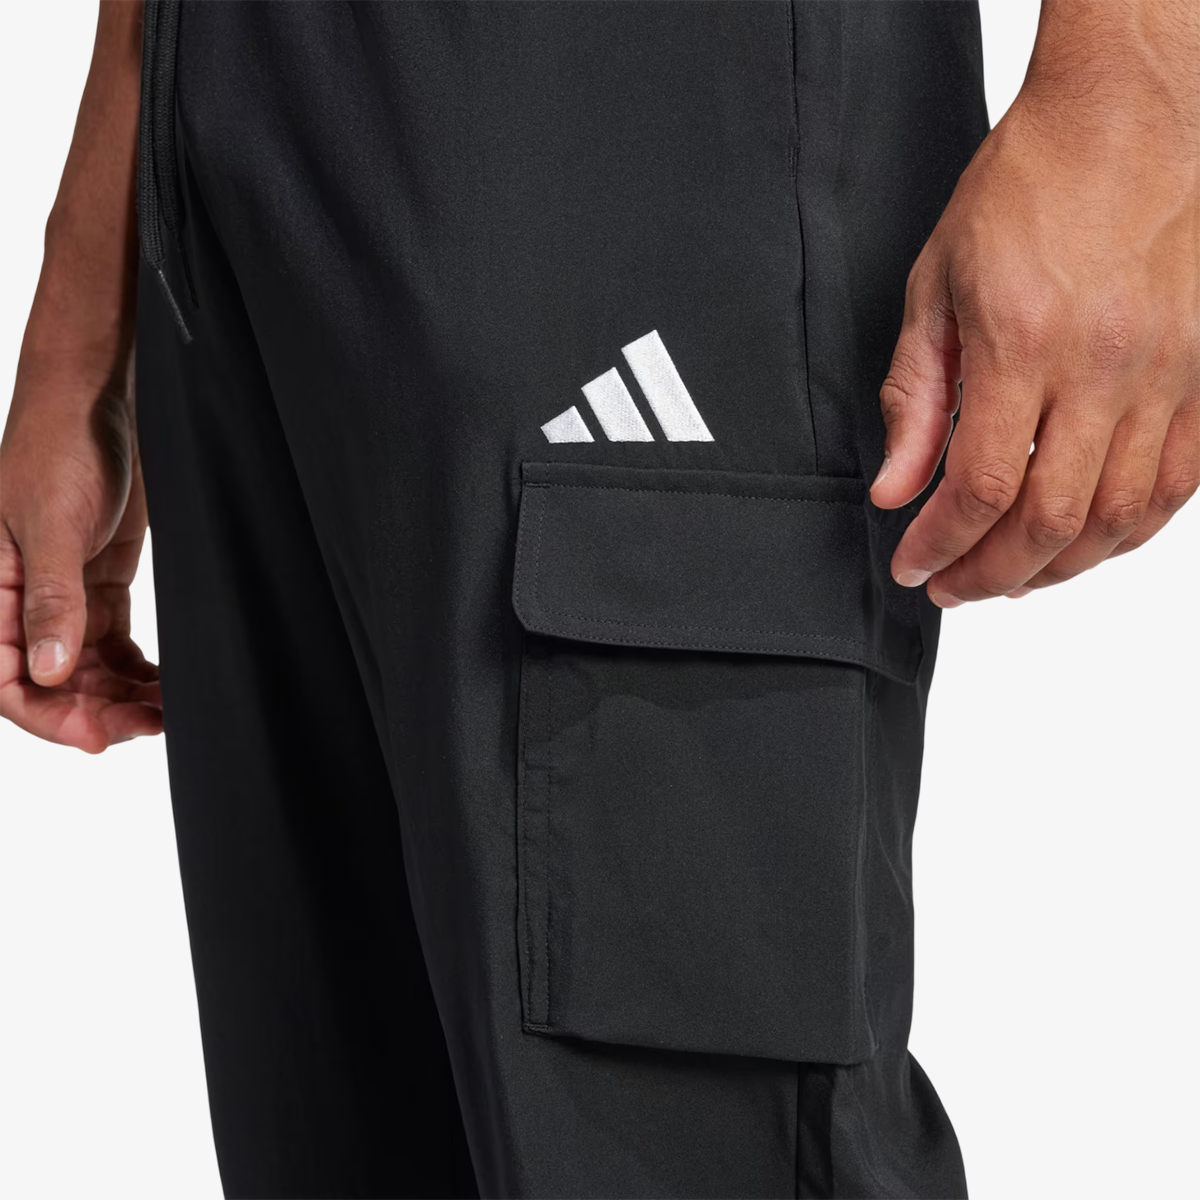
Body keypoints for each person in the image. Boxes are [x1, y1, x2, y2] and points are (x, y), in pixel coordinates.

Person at [1, 2, 1195, 1197]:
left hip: (644, 98)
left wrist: (1143, 100)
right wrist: (89, 290)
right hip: (232, 128)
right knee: (343, 1129)